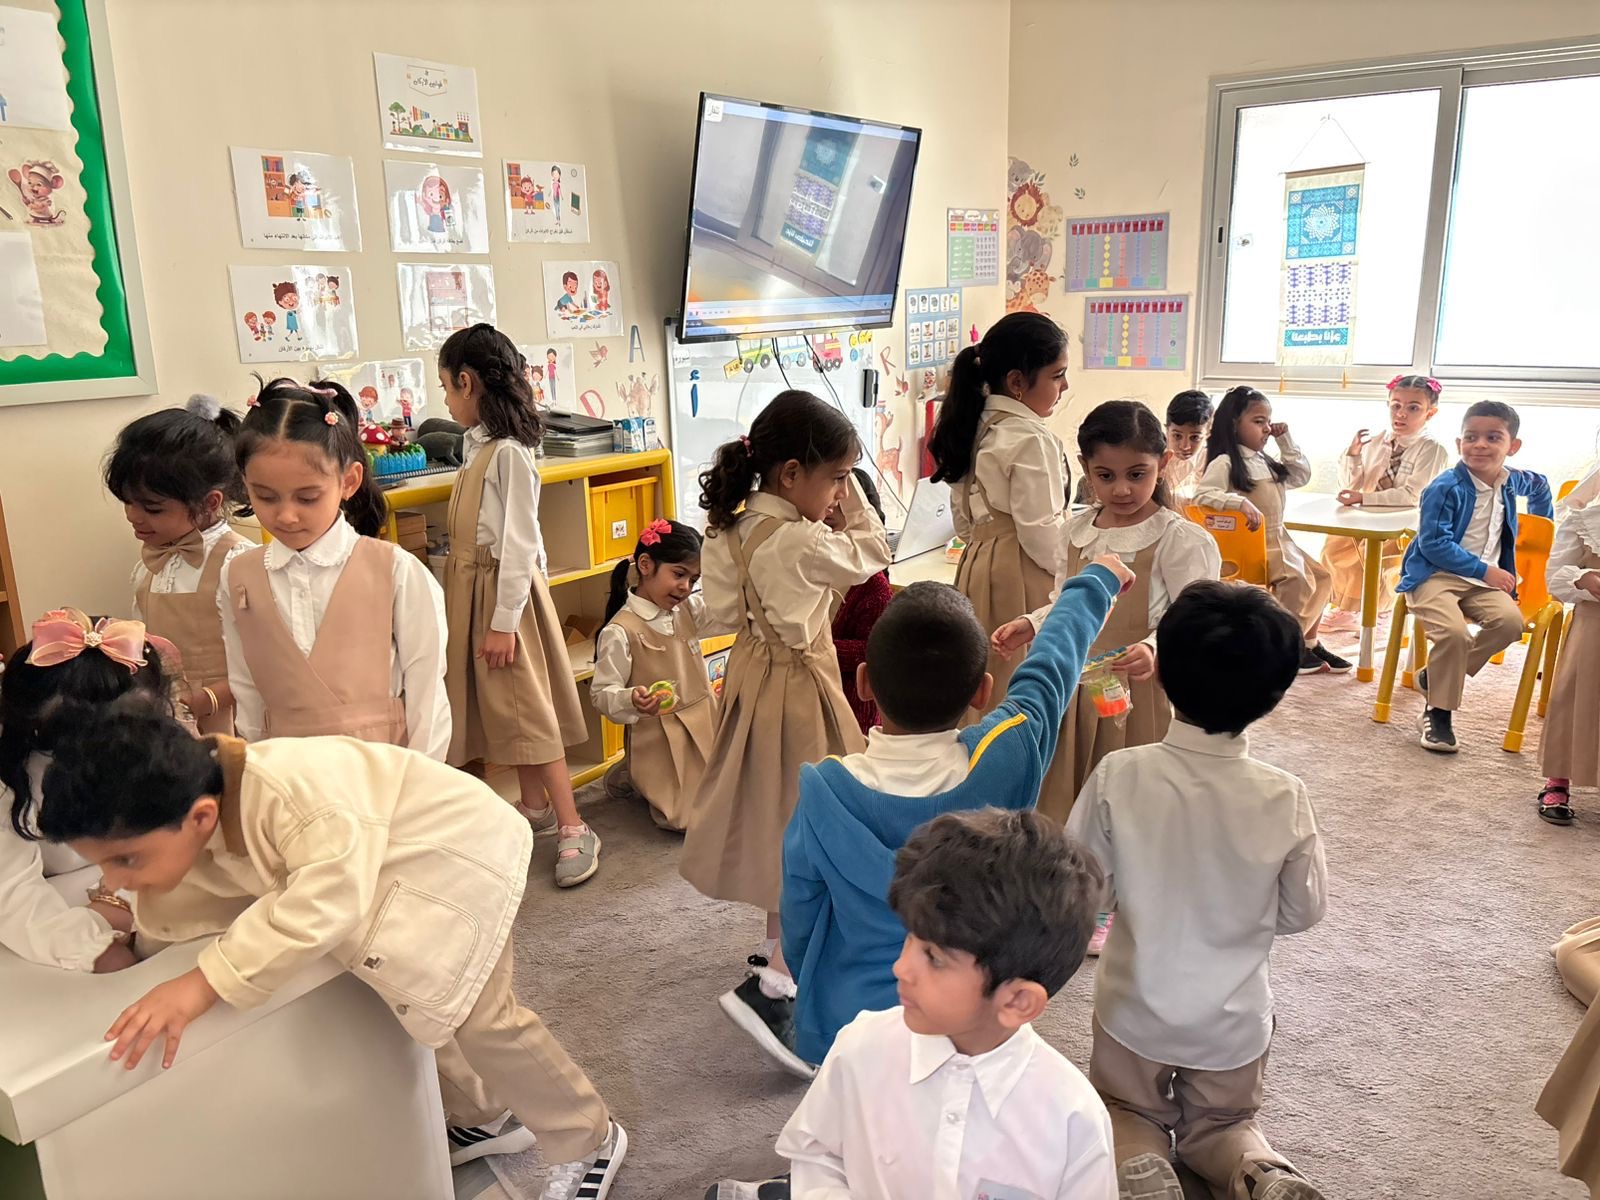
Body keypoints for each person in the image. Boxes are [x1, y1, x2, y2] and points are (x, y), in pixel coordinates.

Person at [35, 707, 627, 1200]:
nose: (117, 879)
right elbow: (190, 902)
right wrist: (140, 947)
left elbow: (327, 896)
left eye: (125, 860)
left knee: (483, 1018)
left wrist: (204, 982)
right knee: (416, 997)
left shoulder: (292, 792)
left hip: (454, 855)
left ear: (200, 818)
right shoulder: (196, 807)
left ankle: (589, 1137)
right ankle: (486, 1114)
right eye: (104, 864)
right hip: (376, 861)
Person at [780, 554, 1128, 1071]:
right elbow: (1052, 667)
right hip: (970, 1019)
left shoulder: (824, 790)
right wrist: (1097, 582)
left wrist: (812, 985)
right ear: (982, 691)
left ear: (864, 682)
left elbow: (800, 915)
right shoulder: (1007, 755)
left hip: (850, 1021)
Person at [1068, 580, 1327, 1200]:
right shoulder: (1285, 796)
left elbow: (1083, 890)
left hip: (1134, 1009)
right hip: (1233, 1022)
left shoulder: (1119, 776)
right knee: (1225, 1122)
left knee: (1124, 1108)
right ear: (1276, 694)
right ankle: (1256, 1170)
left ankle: (1139, 1161)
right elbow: (1303, 911)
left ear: (1160, 675)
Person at [711, 808, 1117, 1200]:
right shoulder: (861, 1047)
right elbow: (817, 1153)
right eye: (910, 939)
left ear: (1017, 1001)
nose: (901, 967)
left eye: (934, 958)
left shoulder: (1072, 1118)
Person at [680, 390, 889, 1076]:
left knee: (777, 819)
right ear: (792, 474)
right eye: (837, 478)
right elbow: (873, 553)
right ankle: (778, 979)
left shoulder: (729, 530)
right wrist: (856, 506)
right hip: (801, 684)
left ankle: (785, 949)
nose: (840, 493)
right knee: (822, 825)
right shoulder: (801, 539)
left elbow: (717, 613)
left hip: (750, 678)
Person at [991, 400, 1220, 821]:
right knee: (1066, 787)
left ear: (1163, 464)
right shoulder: (1075, 532)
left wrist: (1153, 648)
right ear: (1085, 468)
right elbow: (1066, 600)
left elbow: (1193, 619)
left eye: (1137, 475)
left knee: (1131, 798)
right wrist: (1033, 622)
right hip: (1073, 681)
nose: (1122, 490)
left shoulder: (1180, 538)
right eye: (1106, 476)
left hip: (1137, 686)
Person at [436, 325, 598, 886]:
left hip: (504, 598)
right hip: (473, 591)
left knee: (528, 708)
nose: (445, 401)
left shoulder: (509, 453)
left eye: (447, 388)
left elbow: (521, 542)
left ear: (467, 382)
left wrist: (506, 622)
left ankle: (574, 825)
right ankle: (534, 807)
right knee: (505, 708)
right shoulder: (474, 445)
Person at [220, 378, 451, 760]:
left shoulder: (396, 571)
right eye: (265, 496)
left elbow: (428, 695)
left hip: (385, 773)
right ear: (245, 485)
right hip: (287, 773)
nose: (286, 515)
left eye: (308, 497)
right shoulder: (238, 576)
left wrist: (419, 781)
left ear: (349, 481)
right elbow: (246, 693)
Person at [0, 610, 167, 975]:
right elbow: (13, 897)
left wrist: (120, 898)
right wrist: (91, 945)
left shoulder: (156, 755)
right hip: (58, 909)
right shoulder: (12, 788)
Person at [929, 312, 1071, 712]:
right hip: (1021, 573)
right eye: (1057, 375)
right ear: (1017, 382)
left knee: (982, 686)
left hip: (975, 567)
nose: (1064, 387)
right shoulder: (1029, 436)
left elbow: (963, 523)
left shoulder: (970, 424)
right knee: (1021, 690)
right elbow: (1041, 532)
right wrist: (1074, 567)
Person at [1395, 400, 1553, 753]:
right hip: (1434, 574)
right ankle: (1439, 712)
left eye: (1493, 437)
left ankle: (1434, 677)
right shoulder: (1445, 487)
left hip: (1482, 582)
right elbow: (1434, 544)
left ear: (1512, 446)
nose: (1480, 445)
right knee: (1453, 634)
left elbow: (1541, 486)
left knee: (1511, 624)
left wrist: (1540, 527)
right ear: (1459, 443)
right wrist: (1486, 570)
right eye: (1471, 437)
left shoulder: (1512, 480)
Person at [106, 393, 251, 734]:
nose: (132, 516)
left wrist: (207, 699)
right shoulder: (150, 565)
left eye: (152, 508)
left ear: (210, 503)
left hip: (228, 718)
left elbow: (267, 663)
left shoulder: (238, 564)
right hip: (168, 716)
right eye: (128, 502)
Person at [1195, 386, 1350, 677]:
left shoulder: (1263, 459)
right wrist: (1239, 503)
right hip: (1255, 543)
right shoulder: (1226, 462)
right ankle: (1282, 647)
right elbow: (1203, 495)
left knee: (1323, 578)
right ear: (1234, 424)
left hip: (1280, 537)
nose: (1266, 428)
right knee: (1297, 582)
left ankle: (1306, 641)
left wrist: (1285, 439)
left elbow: (1301, 475)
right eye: (1258, 421)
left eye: (1268, 421)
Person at [590, 518, 721, 832]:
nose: (685, 587)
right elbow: (602, 693)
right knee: (688, 820)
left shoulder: (688, 610)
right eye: (678, 574)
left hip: (705, 721)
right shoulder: (621, 631)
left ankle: (631, 771)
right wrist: (631, 699)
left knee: (739, 800)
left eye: (694, 579)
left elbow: (731, 613)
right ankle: (636, 771)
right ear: (646, 565)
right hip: (661, 737)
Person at [1320, 375, 1451, 632]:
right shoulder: (1377, 441)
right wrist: (1353, 454)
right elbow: (1353, 484)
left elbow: (1413, 495)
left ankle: (1375, 610)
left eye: (1413, 408)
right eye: (1396, 405)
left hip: (1401, 520)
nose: (1401, 413)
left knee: (1380, 561)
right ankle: (1346, 607)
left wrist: (1364, 498)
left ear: (1430, 413)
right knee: (1335, 549)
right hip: (1367, 514)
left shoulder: (1432, 449)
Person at [1536, 481, 1600, 823]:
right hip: (1595, 618)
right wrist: (1582, 578)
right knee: (1575, 690)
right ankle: (1558, 776)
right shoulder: (1585, 515)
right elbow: (1555, 578)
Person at [831, 468, 894, 733]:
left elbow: (874, 651)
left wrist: (818, 650)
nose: (829, 510)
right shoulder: (815, 560)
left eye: (841, 504)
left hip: (854, 710)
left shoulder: (873, 586)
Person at [1164, 388, 1213, 501]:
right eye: (1177, 436)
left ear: (1207, 434)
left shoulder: (1211, 462)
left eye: (1194, 438)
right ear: (1167, 430)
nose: (1185, 446)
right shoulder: (1154, 458)